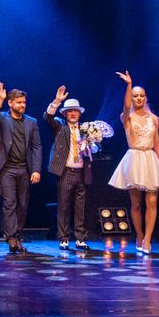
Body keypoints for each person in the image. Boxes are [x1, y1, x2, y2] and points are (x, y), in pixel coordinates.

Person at [108, 71, 159, 254]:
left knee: (152, 201)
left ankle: (148, 240)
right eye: (135, 96)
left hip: (150, 159)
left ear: (146, 98)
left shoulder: (154, 119)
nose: (138, 98)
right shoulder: (126, 117)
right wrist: (129, 85)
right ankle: (139, 235)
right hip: (134, 159)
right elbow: (126, 105)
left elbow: (157, 145)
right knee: (136, 203)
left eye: (141, 95)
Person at [0, 80, 42, 254]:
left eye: (24, 102)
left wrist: (36, 169)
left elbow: (36, 146)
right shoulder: (3, 118)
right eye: (19, 102)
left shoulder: (31, 122)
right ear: (10, 103)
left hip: (25, 169)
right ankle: (11, 238)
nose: (22, 105)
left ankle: (18, 235)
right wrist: (0, 100)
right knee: (9, 203)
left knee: (23, 205)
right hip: (6, 168)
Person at [45, 86, 93, 251]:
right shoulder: (60, 127)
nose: (73, 113)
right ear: (64, 114)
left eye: (75, 111)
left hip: (82, 172)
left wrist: (90, 145)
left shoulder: (86, 129)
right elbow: (47, 117)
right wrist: (57, 101)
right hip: (65, 172)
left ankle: (80, 238)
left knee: (80, 206)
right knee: (64, 205)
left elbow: (95, 150)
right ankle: (64, 238)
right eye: (69, 111)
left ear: (79, 113)